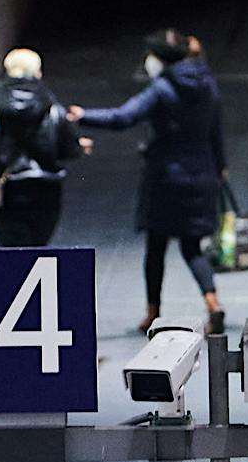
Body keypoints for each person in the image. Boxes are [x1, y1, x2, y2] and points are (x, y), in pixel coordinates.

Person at [71, 31, 229, 336]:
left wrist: (83, 115)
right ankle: (213, 303)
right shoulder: (208, 84)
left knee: (155, 248)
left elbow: (123, 117)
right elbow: (215, 131)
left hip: (166, 177)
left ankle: (153, 312)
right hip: (202, 172)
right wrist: (220, 167)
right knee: (192, 247)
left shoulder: (162, 89)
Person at [0, 48, 89, 245]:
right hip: (46, 188)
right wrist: (79, 147)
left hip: (8, 188)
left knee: (12, 252)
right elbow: (68, 147)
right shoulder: (51, 106)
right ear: (37, 73)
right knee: (39, 248)